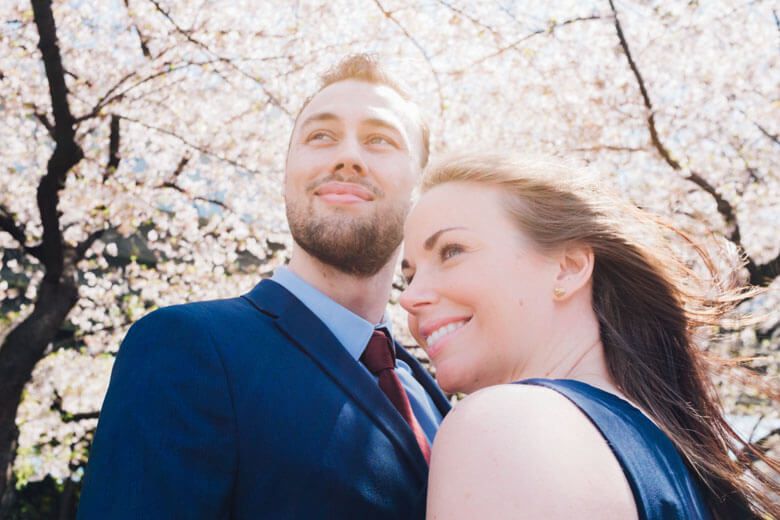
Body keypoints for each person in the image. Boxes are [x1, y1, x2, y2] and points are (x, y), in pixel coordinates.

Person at [77, 54, 450, 519]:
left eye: (380, 139)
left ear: (421, 184)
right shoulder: (189, 347)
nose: (348, 156)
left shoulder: (432, 394)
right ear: (288, 172)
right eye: (320, 136)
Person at [399, 153, 780, 519]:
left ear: (567, 268)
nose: (410, 298)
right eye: (410, 273)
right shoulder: (669, 458)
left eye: (451, 251)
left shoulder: (509, 426)